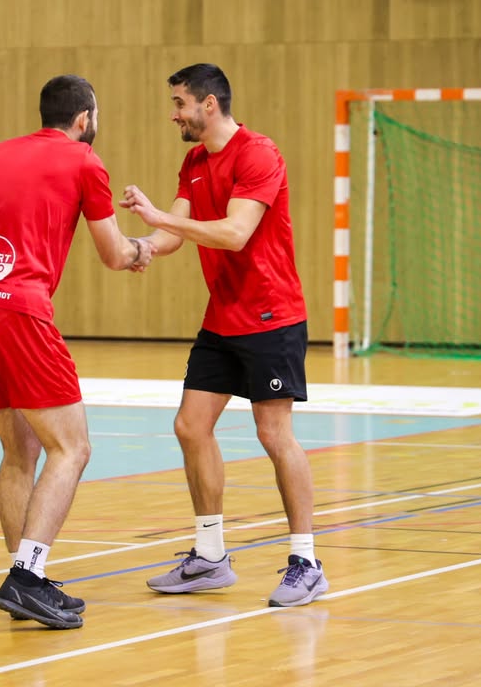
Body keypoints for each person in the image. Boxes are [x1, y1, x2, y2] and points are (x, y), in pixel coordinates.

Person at [0, 74, 154, 630]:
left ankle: (25, 576)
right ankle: (26, 578)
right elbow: (111, 253)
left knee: (19, 449)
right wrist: (140, 249)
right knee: (72, 448)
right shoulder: (84, 161)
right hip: (18, 312)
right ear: (84, 118)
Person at [120, 63, 328, 607]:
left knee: (274, 434)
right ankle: (211, 557)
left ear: (208, 104)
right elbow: (175, 234)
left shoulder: (259, 154)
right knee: (190, 427)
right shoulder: (194, 161)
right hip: (222, 317)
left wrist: (159, 219)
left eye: (180, 103)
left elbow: (235, 233)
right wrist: (140, 247)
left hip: (271, 316)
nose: (174, 114)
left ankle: (306, 562)